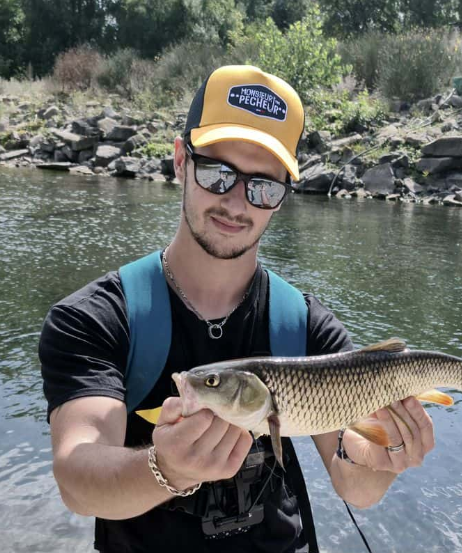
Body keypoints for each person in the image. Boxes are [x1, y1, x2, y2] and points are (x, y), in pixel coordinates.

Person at [39, 65, 435, 553]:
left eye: (263, 186)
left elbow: (356, 483)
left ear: (281, 198)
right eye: (218, 172)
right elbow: (77, 478)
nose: (236, 202)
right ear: (181, 160)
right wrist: (166, 470)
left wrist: (388, 455)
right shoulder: (95, 318)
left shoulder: (307, 326)